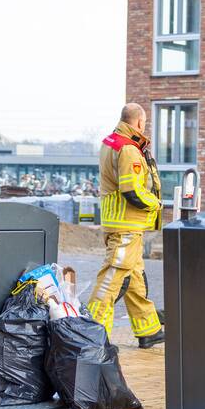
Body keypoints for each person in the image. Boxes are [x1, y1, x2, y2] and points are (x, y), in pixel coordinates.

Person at [86, 103, 165, 349]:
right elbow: (132, 191)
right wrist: (156, 204)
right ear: (139, 122)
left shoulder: (110, 143)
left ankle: (148, 329)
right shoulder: (129, 149)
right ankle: (91, 332)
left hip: (118, 223)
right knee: (112, 278)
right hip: (126, 225)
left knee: (135, 279)